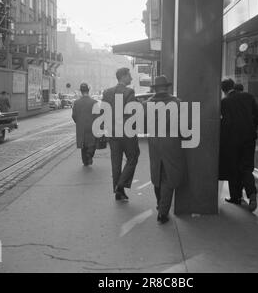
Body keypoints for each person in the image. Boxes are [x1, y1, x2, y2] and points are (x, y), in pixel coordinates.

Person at [143, 76, 186, 224]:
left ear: (154, 88)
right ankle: (162, 212)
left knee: (157, 176)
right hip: (172, 144)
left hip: (155, 144)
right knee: (169, 177)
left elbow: (142, 126)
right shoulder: (177, 103)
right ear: (167, 87)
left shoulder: (146, 105)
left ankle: (160, 204)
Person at [219, 79, 258, 212]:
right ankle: (252, 195)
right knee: (246, 168)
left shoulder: (224, 102)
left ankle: (235, 197)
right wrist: (251, 127)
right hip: (249, 139)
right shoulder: (248, 96)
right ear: (233, 86)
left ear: (223, 90)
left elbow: (225, 123)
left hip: (232, 141)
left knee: (234, 168)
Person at [102, 68, 140, 201]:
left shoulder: (107, 92)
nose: (131, 78)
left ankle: (119, 192)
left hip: (113, 133)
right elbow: (132, 112)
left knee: (116, 162)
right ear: (123, 77)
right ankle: (120, 185)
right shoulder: (129, 92)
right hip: (126, 132)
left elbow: (103, 112)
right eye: (129, 76)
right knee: (133, 157)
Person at [72, 83, 98, 166]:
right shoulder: (94, 102)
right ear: (88, 90)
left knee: (83, 144)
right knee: (92, 143)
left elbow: (74, 116)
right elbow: (97, 115)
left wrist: (79, 122)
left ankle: (85, 161)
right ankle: (90, 155)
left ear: (81, 91)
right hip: (92, 126)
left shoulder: (76, 103)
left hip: (81, 127)